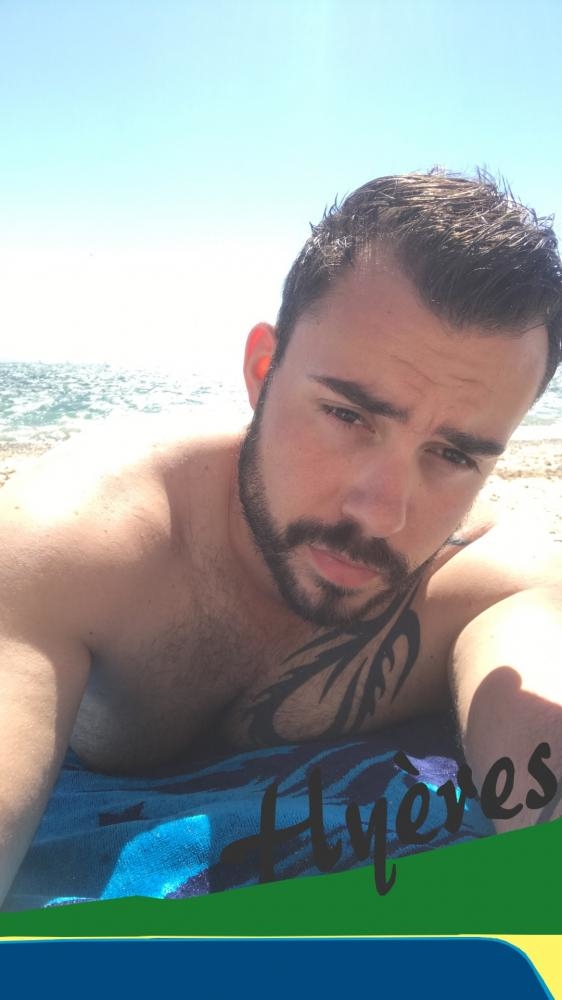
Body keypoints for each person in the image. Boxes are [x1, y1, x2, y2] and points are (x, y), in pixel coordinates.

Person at [0, 169, 561, 907]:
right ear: (263, 372)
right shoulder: (82, 535)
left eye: (454, 455)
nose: (380, 512)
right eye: (348, 416)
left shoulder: (490, 585)